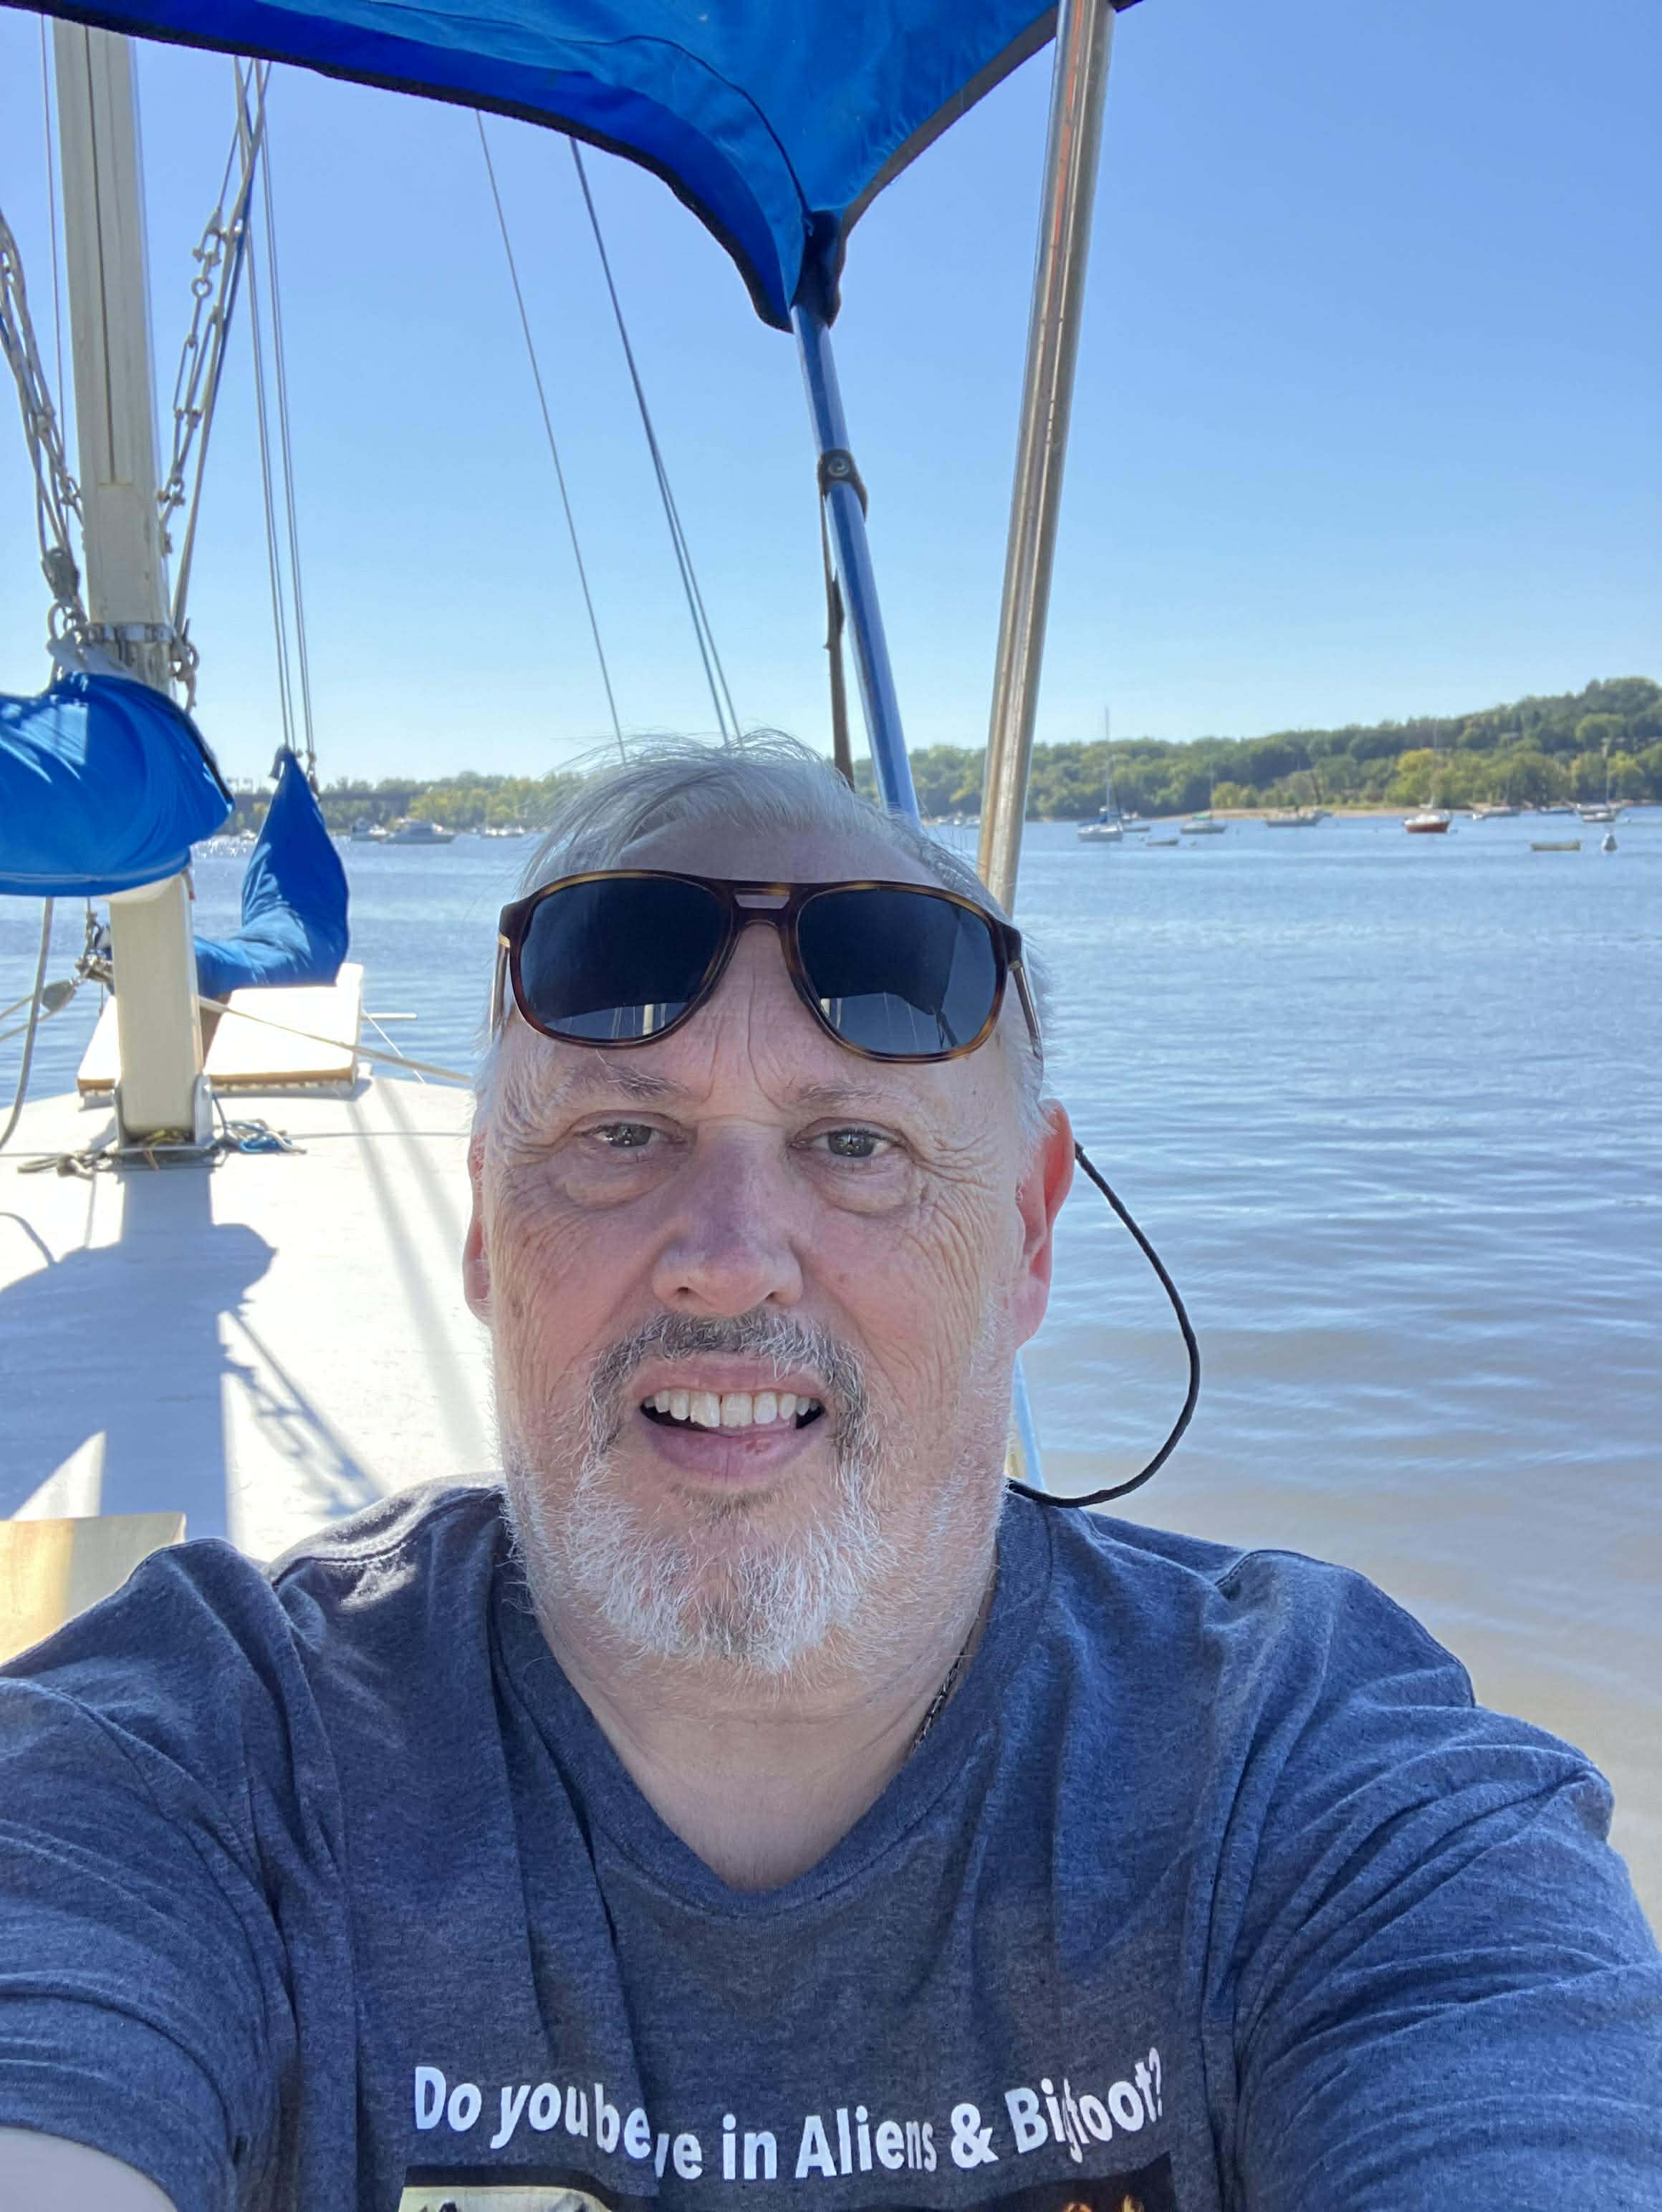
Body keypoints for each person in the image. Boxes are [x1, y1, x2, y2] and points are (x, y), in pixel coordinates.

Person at [1, 736, 1658, 2212]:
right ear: (486, 1225)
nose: (727, 1259)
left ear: (1027, 1232)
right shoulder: (204, 1755)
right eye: (620, 1136)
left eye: (853, 1145)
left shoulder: (1308, 1785)